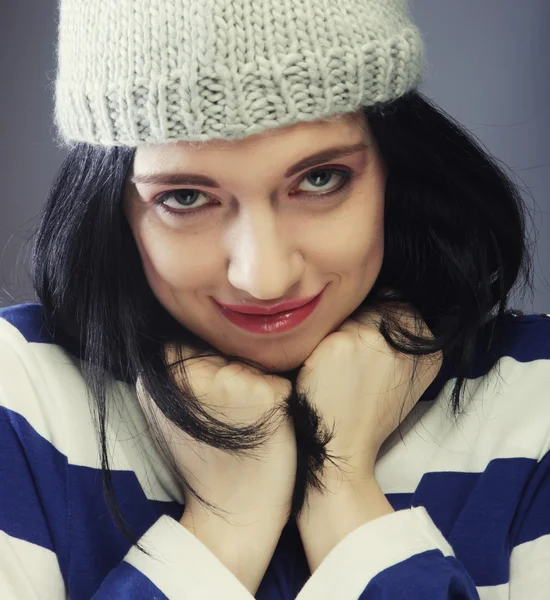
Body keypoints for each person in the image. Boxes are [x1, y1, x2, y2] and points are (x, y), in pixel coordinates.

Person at [0, 0, 548, 598]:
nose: (264, 278)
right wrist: (225, 526)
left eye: (320, 179)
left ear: (398, 170)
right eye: (185, 197)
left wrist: (343, 493)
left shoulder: (536, 400)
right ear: (113, 207)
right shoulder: (20, 395)